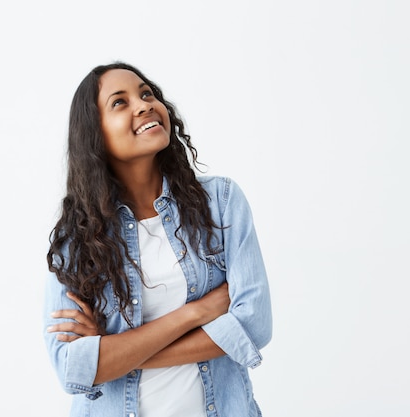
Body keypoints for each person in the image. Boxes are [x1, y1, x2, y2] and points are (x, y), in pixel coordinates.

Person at [42, 62, 272, 417]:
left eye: (146, 94)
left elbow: (254, 325)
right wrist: (194, 313)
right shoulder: (78, 236)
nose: (143, 104)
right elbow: (73, 368)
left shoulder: (220, 203)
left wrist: (114, 354)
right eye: (120, 102)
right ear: (95, 134)